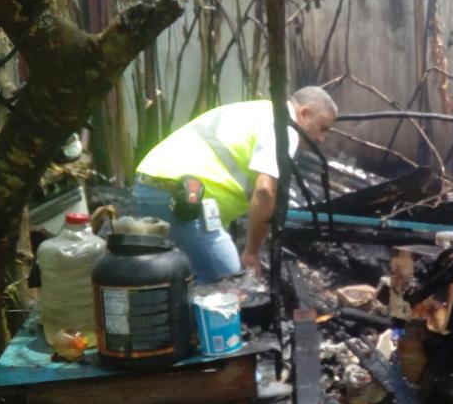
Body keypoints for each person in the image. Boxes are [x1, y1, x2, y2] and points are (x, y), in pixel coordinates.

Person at [133, 86, 337, 283]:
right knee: (227, 278)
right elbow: (265, 191)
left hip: (158, 187)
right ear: (304, 113)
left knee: (190, 278)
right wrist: (251, 252)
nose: (321, 138)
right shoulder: (285, 127)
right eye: (323, 128)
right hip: (178, 197)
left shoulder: (261, 112)